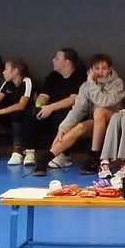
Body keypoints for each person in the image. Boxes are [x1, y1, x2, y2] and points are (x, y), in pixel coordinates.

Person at [47, 54, 125, 175]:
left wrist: (91, 84)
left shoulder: (118, 83)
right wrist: (62, 130)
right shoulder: (86, 86)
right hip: (97, 123)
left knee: (99, 111)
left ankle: (94, 156)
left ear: (110, 69)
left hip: (115, 122)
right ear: (91, 70)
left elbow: (104, 102)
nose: (100, 72)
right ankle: (49, 156)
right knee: (79, 127)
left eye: (104, 68)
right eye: (96, 68)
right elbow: (78, 110)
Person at [30, 48, 84, 176]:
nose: (53, 60)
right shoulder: (52, 76)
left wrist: (51, 107)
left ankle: (63, 155)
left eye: (57, 58)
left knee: (62, 115)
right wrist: (40, 106)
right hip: (51, 110)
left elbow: (73, 100)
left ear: (67, 62)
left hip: (71, 112)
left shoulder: (80, 76)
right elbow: (44, 95)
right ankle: (30, 151)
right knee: (32, 114)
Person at [0, 58, 34, 165]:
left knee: (16, 114)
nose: (3, 72)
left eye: (6, 69)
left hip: (25, 115)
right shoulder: (7, 83)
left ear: (15, 71)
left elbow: (21, 105)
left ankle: (17, 151)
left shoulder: (27, 81)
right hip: (8, 114)